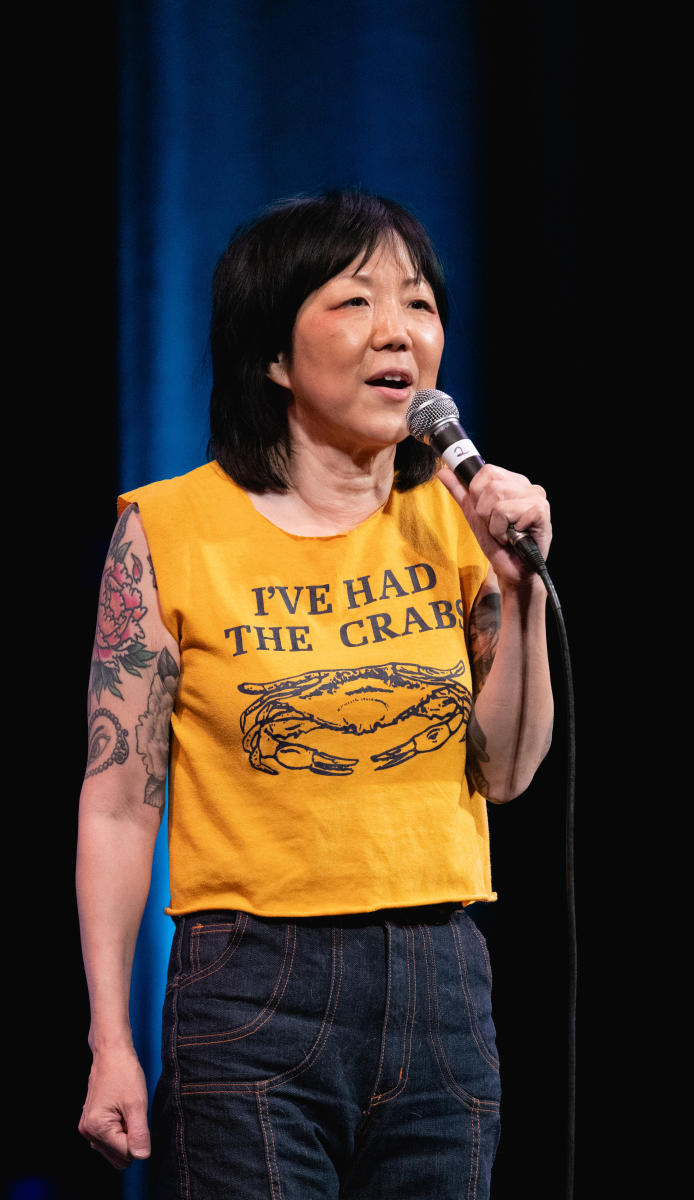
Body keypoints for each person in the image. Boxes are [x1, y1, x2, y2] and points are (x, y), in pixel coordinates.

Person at [76, 190, 553, 1199]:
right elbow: (120, 804)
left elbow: (507, 773)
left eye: (418, 303)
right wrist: (110, 1040)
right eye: (354, 301)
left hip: (443, 985)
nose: (398, 331)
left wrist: (516, 588)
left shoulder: (462, 526)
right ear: (274, 356)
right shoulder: (170, 529)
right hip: (253, 986)